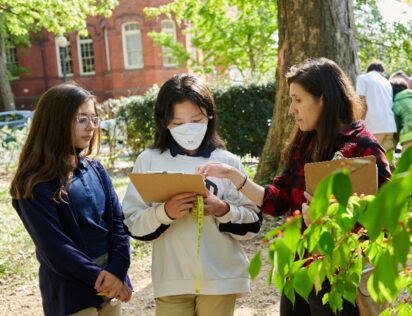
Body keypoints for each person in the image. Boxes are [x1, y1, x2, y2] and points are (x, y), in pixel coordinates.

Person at [197, 58, 392, 316]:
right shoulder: (305, 143)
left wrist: (328, 222)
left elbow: (384, 222)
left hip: (340, 280)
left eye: (298, 100)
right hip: (299, 272)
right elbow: (276, 200)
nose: (291, 110)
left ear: (324, 99)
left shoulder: (363, 148)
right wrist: (235, 177)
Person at [122, 74, 262, 316]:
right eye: (178, 123)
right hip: (171, 280)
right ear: (164, 122)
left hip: (220, 279)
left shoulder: (226, 162)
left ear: (209, 115)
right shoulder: (149, 160)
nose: (188, 130)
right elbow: (132, 221)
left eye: (196, 120)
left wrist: (224, 210)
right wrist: (164, 212)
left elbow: (254, 222)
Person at [10, 83, 132, 316]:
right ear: (55, 121)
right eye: (81, 119)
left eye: (94, 119)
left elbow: (119, 223)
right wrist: (102, 278)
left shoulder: (95, 169)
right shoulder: (33, 183)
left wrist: (117, 270)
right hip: (72, 295)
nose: (91, 127)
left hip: (111, 286)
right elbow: (55, 247)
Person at [355, 60, 397, 152]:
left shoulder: (363, 78)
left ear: (368, 70)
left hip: (373, 125)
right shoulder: (387, 82)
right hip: (390, 126)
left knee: (371, 159)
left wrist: (359, 122)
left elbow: (361, 101)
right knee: (387, 161)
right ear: (382, 72)